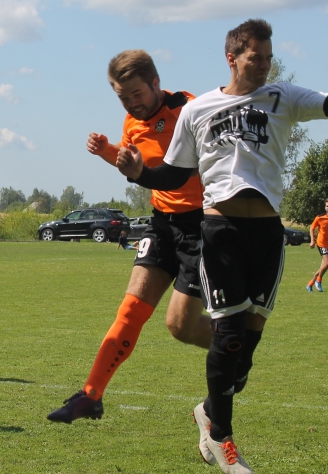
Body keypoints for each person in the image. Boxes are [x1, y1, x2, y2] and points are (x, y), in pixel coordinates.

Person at [117, 19, 328, 474]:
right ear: (232, 58)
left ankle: (208, 410)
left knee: (249, 340)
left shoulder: (283, 96)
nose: (264, 64)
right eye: (255, 58)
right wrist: (139, 172)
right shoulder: (198, 109)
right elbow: (173, 175)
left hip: (268, 234)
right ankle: (221, 436)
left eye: (268, 57)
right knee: (228, 336)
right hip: (219, 230)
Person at [48, 50, 211, 424]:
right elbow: (134, 164)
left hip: (202, 226)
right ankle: (90, 394)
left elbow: (202, 165)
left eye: (136, 94)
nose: (130, 103)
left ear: (156, 83)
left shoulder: (190, 109)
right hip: (162, 223)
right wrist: (107, 151)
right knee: (131, 309)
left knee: (180, 327)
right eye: (122, 97)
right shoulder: (131, 123)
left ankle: (234, 346)